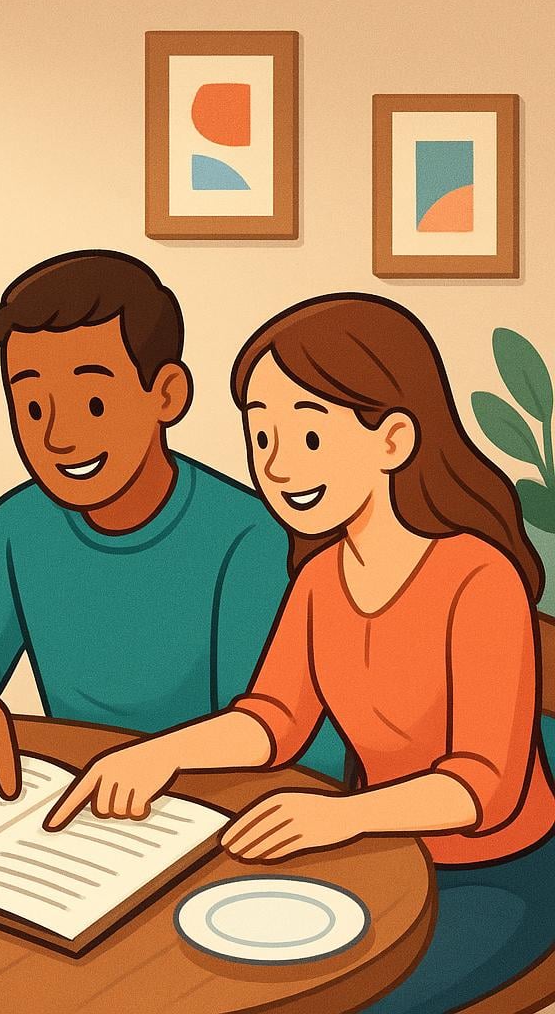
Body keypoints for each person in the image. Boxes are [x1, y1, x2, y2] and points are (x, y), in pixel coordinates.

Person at [45, 293, 555, 1013]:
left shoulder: (479, 578)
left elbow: (484, 789)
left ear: (394, 440)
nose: (278, 467)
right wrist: (157, 754)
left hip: (499, 874)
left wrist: (339, 817)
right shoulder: (320, 578)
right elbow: (273, 719)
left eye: (309, 438)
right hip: (379, 859)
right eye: (261, 438)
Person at [0, 251, 347, 799]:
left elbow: (286, 737)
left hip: (217, 817)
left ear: (166, 394)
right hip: (85, 810)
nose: (59, 438)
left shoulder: (248, 537)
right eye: (34, 408)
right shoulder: (18, 527)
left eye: (92, 403)